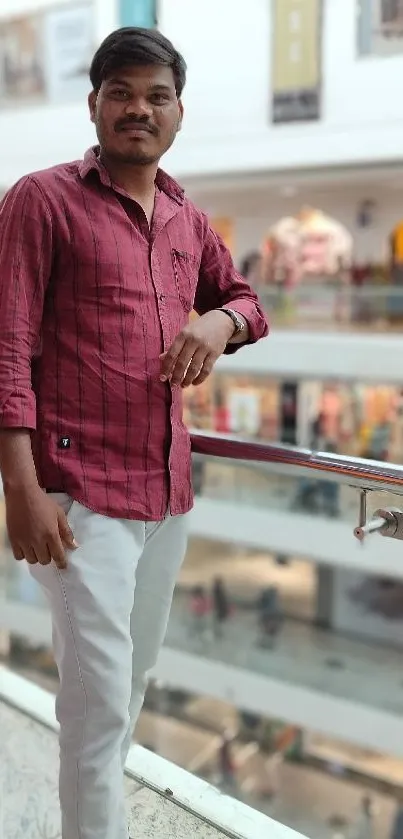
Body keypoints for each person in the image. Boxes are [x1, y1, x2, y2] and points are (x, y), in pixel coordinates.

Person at [0, 27, 268, 839]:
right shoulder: (41, 199)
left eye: (155, 95)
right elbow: (6, 344)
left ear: (178, 110)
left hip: (167, 492)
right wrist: (21, 489)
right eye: (120, 93)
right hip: (81, 500)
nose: (137, 109)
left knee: (128, 687)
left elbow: (248, 299)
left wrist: (219, 322)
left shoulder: (187, 218)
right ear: (94, 106)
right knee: (97, 709)